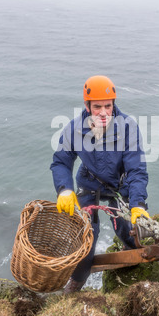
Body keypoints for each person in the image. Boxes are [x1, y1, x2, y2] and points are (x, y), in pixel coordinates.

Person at [50, 75, 150, 293]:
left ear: (113, 104)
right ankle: (77, 282)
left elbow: (136, 170)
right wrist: (64, 189)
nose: (104, 112)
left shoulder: (128, 128)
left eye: (108, 105)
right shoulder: (74, 129)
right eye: (97, 107)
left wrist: (138, 203)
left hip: (118, 186)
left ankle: (133, 255)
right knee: (85, 240)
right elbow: (61, 162)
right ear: (87, 106)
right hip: (89, 184)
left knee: (129, 230)